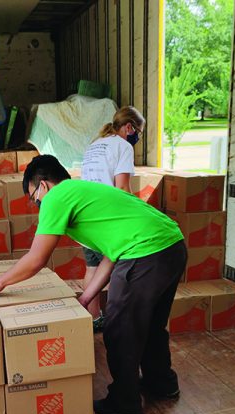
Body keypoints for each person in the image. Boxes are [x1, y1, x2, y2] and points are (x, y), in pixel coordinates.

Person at [0, 155, 186, 414]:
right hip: (172, 246)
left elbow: (36, 259)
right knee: (150, 325)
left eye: (34, 198)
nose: (37, 205)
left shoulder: (58, 196)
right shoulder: (86, 192)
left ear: (43, 185)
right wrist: (88, 295)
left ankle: (125, 402)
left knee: (120, 330)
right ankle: (162, 385)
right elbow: (112, 254)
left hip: (145, 253)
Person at [80, 106, 146, 330]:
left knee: (92, 267)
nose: (138, 137)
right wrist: (142, 215)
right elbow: (123, 189)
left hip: (86, 217)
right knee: (121, 271)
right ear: (129, 127)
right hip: (108, 220)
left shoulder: (94, 145)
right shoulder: (123, 146)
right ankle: (122, 321)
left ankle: (95, 318)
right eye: (139, 132)